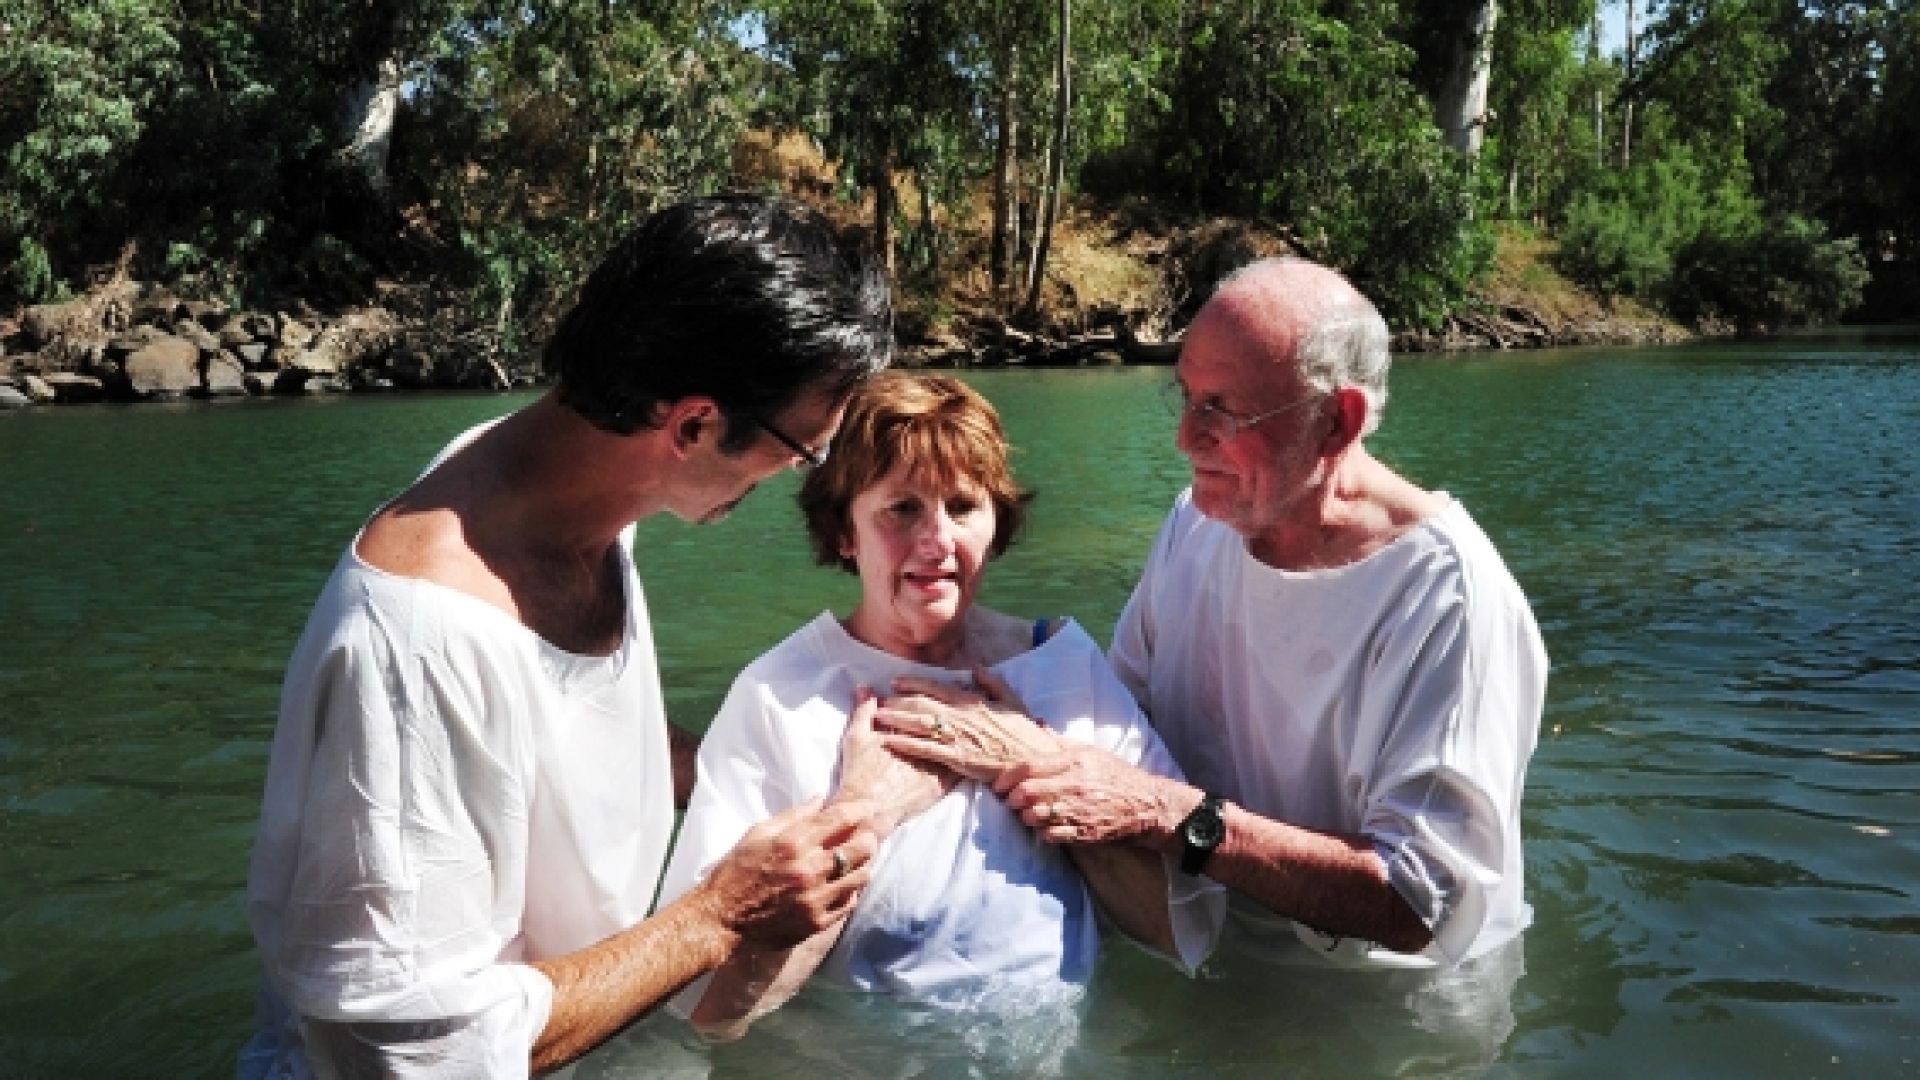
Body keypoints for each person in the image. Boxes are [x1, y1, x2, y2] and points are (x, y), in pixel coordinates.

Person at [240, 194, 898, 1078]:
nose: (795, 475)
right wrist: (718, 916)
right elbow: (410, 1049)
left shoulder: (570, 492)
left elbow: (562, 735)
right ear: (694, 424)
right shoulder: (410, 645)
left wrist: (750, 772)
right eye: (802, 450)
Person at [880, 258, 1545, 997]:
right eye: (1186, 398)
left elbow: (1419, 902)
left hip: (1389, 1011)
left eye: (1223, 413)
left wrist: (1168, 815)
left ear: (1337, 421)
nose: (1186, 439)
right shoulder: (1202, 521)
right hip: (1204, 944)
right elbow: (1122, 718)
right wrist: (1009, 729)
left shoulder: (1449, 598)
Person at [654, 373, 1222, 1038]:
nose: (937, 542)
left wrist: (1047, 776)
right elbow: (711, 1006)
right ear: (843, 531)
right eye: (901, 510)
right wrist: (863, 815)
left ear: (997, 523)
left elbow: (1183, 935)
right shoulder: (782, 696)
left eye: (962, 507)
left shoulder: (1062, 667)